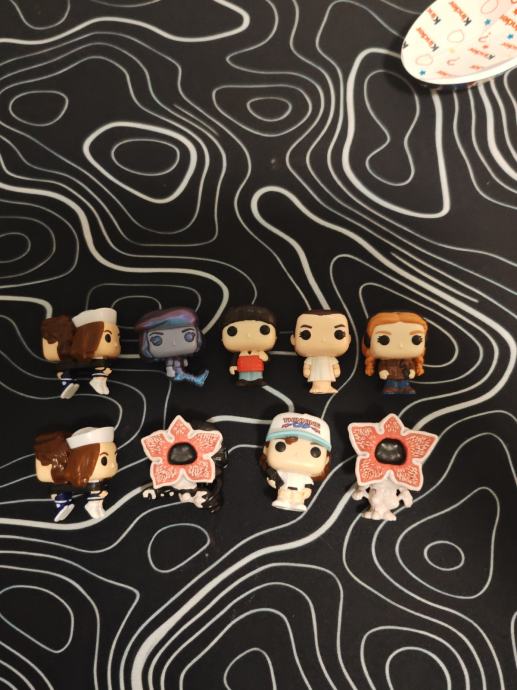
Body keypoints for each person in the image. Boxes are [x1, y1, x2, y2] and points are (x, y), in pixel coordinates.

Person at [261, 412, 331, 511]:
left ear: (326, 460)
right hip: (284, 489)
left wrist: (307, 490)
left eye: (315, 452)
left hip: (298, 492)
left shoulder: (306, 477)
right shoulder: (280, 472)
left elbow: (308, 485)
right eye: (281, 446)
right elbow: (274, 478)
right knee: (283, 495)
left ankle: (298, 504)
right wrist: (273, 481)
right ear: (266, 450)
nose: (297, 454)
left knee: (298, 499)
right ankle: (282, 501)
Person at [135, 307, 208, 386]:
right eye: (157, 340)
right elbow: (170, 368)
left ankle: (197, 379)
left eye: (188, 336)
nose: (174, 343)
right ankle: (197, 380)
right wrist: (171, 372)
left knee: (184, 374)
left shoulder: (178, 358)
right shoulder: (170, 360)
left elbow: (182, 363)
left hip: (179, 372)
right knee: (183, 375)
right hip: (176, 374)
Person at [362, 311, 428, 394]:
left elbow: (411, 366)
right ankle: (391, 388)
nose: (401, 345)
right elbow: (382, 366)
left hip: (404, 377)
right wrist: (383, 371)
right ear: (369, 342)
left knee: (405, 384)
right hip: (391, 377)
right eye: (383, 340)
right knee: (391, 384)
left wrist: (412, 371)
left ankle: (405, 388)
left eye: (416, 339)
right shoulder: (385, 361)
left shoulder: (408, 361)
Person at [291, 310, 351, 394]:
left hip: (327, 374)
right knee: (317, 380)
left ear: (349, 339)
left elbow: (335, 366)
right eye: (305, 334)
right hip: (316, 373)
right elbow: (307, 366)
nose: (323, 340)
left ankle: (328, 387)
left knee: (326, 379)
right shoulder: (311, 359)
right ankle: (316, 387)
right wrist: (306, 370)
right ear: (293, 340)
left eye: (339, 334)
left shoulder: (331, 359)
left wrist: (336, 370)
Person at [221, 305, 277, 387]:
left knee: (257, 373)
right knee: (244, 374)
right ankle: (243, 379)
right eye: (232, 331)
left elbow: (267, 359)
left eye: (263, 330)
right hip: (243, 367)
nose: (248, 335)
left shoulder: (259, 351)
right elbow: (234, 359)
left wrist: (265, 357)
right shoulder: (238, 353)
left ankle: (258, 379)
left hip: (257, 367)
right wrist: (233, 366)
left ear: (275, 337)